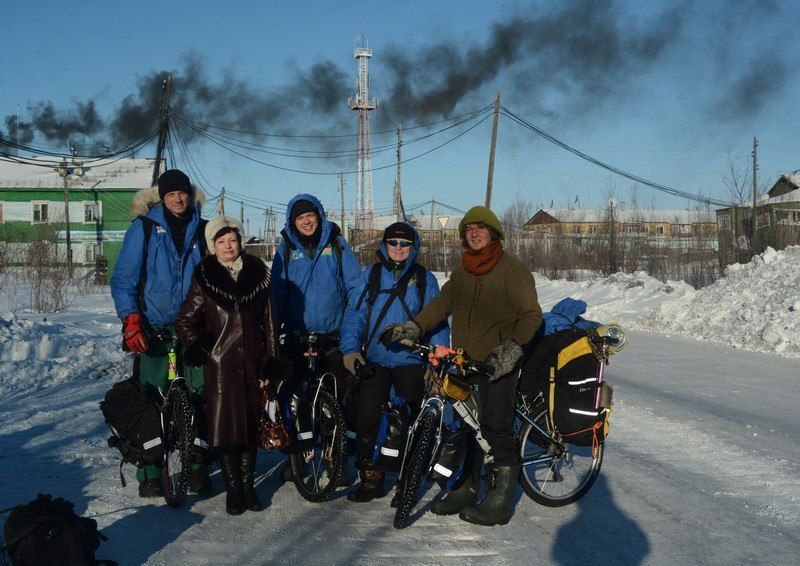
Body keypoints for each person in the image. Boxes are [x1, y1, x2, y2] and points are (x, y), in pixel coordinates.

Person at [383, 205, 542, 526]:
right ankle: (468, 487)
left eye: (481, 228)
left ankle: (501, 499)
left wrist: (511, 348)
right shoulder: (463, 271)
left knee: (495, 426)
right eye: (469, 229)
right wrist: (414, 326)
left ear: (493, 233)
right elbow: (441, 305)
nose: (474, 233)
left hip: (499, 364)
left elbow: (531, 315)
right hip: (466, 362)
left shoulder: (513, 270)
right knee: (467, 427)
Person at [110, 169, 210, 498]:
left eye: (182, 193)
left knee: (198, 395)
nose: (178, 199)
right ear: (162, 197)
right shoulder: (144, 228)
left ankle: (196, 466)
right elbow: (124, 278)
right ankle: (150, 471)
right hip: (154, 327)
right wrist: (131, 320)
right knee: (152, 397)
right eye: (171, 194)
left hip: (193, 328)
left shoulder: (204, 230)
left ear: (189, 195)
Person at [175, 216, 285, 515]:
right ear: (213, 246)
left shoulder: (258, 275)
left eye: (232, 240)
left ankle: (249, 487)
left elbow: (269, 323)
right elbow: (184, 321)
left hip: (253, 363)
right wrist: (203, 346)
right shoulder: (205, 277)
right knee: (225, 430)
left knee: (250, 426)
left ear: (240, 242)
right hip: (220, 366)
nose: (228, 246)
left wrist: (271, 362)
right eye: (221, 241)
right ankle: (233, 489)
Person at [340, 222, 449, 502]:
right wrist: (350, 350)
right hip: (375, 359)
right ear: (384, 245)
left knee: (410, 423)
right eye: (393, 242)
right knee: (368, 417)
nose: (398, 248)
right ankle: (371, 478)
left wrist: (438, 355)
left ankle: (405, 481)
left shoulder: (425, 279)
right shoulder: (371, 275)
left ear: (414, 247)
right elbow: (355, 314)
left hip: (410, 361)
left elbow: (436, 320)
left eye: (405, 243)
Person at [269, 194, 362, 480]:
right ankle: (299, 455)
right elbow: (277, 295)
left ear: (319, 216)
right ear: (292, 222)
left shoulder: (337, 244)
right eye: (300, 217)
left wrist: (352, 331)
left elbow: (356, 288)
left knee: (338, 400)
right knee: (297, 399)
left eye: (310, 215)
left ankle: (337, 457)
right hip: (298, 336)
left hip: (334, 336)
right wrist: (273, 334)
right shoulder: (286, 250)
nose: (306, 221)